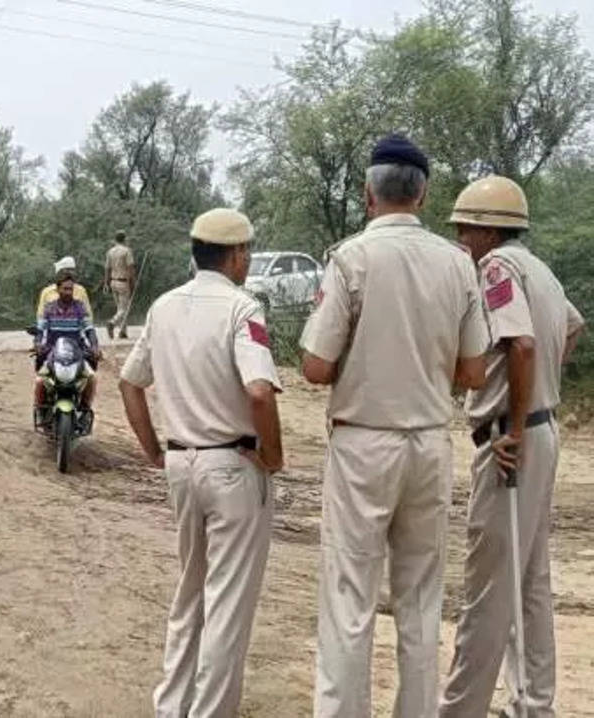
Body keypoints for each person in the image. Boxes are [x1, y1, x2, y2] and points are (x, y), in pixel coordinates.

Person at [299, 134, 490, 717]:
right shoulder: (457, 264)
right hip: (430, 442)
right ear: (424, 193)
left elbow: (314, 366)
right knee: (421, 600)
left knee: (349, 600)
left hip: (363, 443)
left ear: (368, 193)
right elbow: (475, 370)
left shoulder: (351, 258)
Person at [119, 207, 284, 718]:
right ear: (235, 255)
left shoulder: (164, 307)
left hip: (181, 463)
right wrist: (272, 456)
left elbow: (130, 382)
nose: (248, 261)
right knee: (228, 603)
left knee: (190, 591)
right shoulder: (242, 308)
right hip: (233, 464)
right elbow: (259, 390)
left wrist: (151, 449)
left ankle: (172, 705)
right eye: (247, 253)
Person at [440, 176, 585, 718]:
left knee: (488, 585)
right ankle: (532, 703)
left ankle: (459, 709)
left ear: (486, 228)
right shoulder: (539, 268)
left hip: (511, 438)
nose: (459, 236)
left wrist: (516, 422)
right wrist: (541, 391)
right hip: (541, 430)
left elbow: (520, 343)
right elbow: (572, 327)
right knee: (530, 578)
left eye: (464, 226)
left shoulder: (496, 268)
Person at [33, 275, 101, 426]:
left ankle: (84, 410)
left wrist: (95, 346)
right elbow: (40, 329)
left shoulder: (80, 307)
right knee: (39, 381)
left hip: (77, 352)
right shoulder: (49, 308)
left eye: (71, 289)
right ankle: (40, 410)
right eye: (65, 288)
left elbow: (89, 330)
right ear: (57, 289)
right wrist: (37, 343)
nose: (68, 292)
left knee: (92, 379)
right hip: (52, 352)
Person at [103, 230, 135, 339]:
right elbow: (130, 268)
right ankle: (112, 322)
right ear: (124, 239)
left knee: (119, 307)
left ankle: (123, 331)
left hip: (113, 281)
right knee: (123, 309)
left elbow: (107, 268)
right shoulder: (127, 251)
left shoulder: (110, 252)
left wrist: (106, 283)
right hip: (123, 282)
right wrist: (132, 282)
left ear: (115, 239)